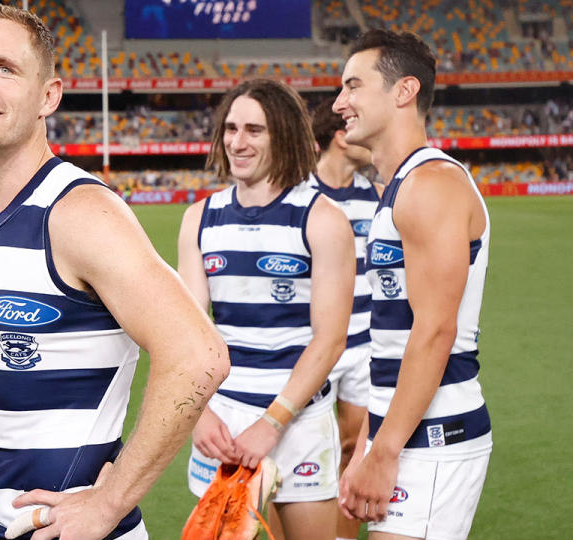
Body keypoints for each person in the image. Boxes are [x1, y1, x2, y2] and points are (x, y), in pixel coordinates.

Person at [0, 4, 230, 539]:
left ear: (48, 95)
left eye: (3, 68)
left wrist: (109, 501)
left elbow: (199, 355)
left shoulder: (77, 213)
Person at [177, 78, 356, 540]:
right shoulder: (199, 219)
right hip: (222, 424)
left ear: (284, 135)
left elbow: (331, 339)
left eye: (254, 130)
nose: (238, 142)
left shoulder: (322, 219)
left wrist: (272, 424)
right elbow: (188, 334)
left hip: (297, 420)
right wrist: (197, 413)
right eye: (231, 128)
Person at [333, 29, 492, 540]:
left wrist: (383, 452)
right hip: (402, 432)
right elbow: (392, 341)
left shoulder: (430, 184)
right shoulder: (400, 186)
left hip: (436, 435)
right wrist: (366, 447)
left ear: (403, 92)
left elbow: (435, 332)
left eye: (353, 86)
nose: (339, 103)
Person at [308, 97, 382, 540]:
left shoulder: (375, 197)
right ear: (340, 136)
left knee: (357, 450)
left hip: (363, 346)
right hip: (314, 346)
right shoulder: (301, 195)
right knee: (308, 454)